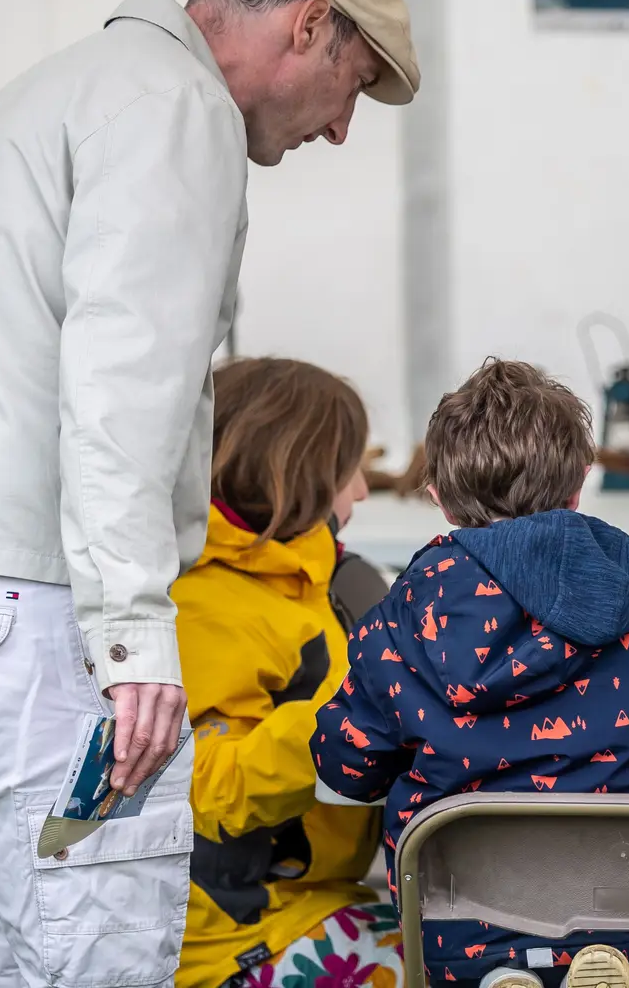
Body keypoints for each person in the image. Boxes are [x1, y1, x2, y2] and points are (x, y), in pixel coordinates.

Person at [0, 0, 419, 987]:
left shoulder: (48, 92)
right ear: (308, 25)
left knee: (24, 961)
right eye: (355, 85)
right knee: (103, 957)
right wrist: (129, 645)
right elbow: (124, 389)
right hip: (27, 608)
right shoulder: (176, 112)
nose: (342, 129)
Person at [314, 360, 629, 988]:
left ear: (437, 496)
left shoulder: (397, 626)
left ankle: (510, 972)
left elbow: (347, 768)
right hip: (627, 922)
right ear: (579, 488)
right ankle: (586, 961)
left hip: (456, 933)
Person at [173, 357, 401, 988]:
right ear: (298, 471)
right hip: (235, 940)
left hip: (319, 900)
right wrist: (355, 712)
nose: (361, 491)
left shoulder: (306, 580)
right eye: (350, 470)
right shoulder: (207, 602)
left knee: (497, 943)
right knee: (483, 966)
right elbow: (213, 789)